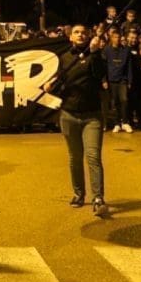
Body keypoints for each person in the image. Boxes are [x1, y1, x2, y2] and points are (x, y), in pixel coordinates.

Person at [47, 24, 109, 216]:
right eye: (77, 32)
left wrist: (95, 53)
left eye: (84, 32)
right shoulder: (65, 58)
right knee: (75, 158)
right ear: (70, 37)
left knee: (93, 157)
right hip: (69, 115)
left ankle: (98, 198)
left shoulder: (96, 55)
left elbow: (99, 75)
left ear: (89, 35)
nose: (81, 34)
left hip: (92, 116)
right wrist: (52, 86)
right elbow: (62, 84)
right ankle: (79, 194)